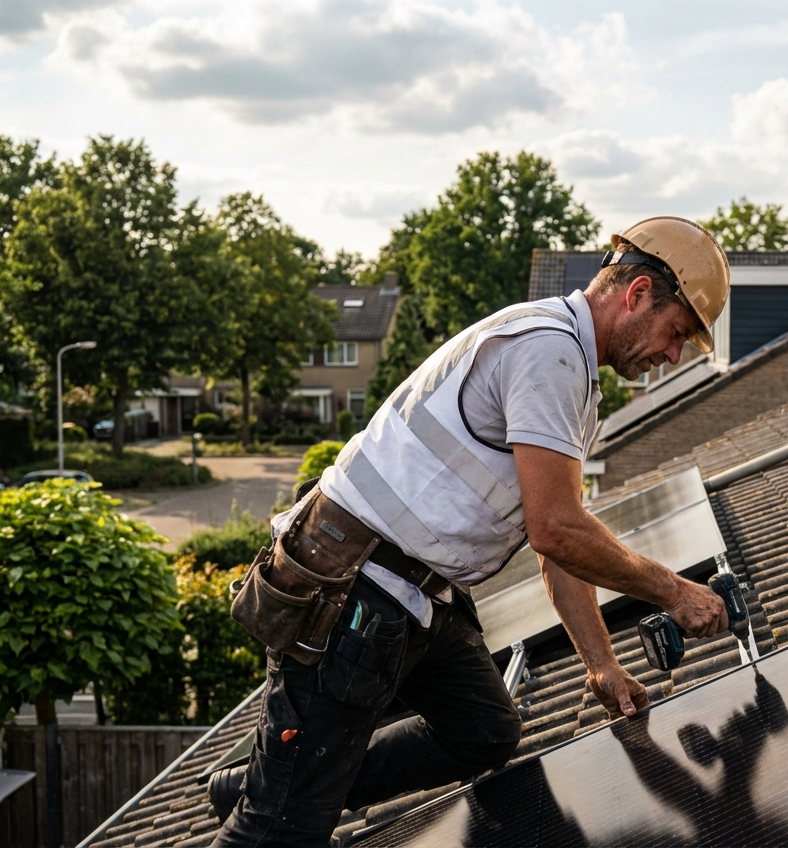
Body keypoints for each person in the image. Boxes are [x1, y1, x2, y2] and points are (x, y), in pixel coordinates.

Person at [210, 216, 732, 846]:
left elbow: (561, 552)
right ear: (639, 293)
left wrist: (601, 666)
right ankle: (276, 794)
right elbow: (559, 532)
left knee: (483, 731)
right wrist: (675, 591)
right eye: (676, 334)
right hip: (351, 590)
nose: (671, 356)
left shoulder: (570, 370)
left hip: (410, 590)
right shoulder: (548, 352)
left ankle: (263, 782)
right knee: (279, 831)